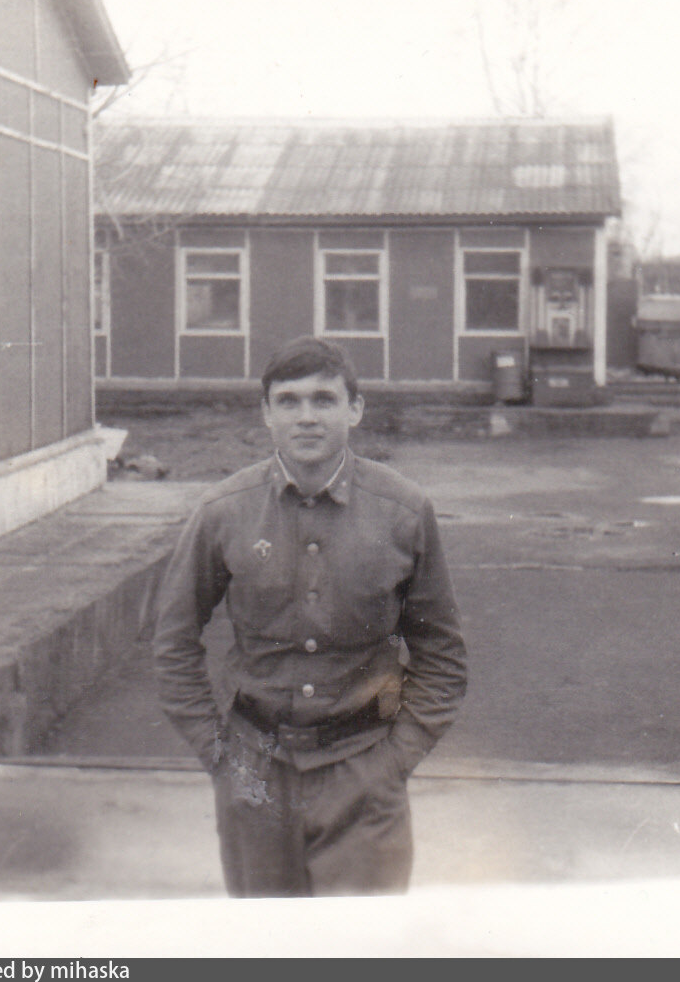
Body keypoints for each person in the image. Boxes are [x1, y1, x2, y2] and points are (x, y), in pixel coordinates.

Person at [151, 336, 468, 897]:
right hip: (253, 773)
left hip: (364, 770)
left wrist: (394, 762)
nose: (306, 417)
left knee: (360, 938)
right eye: (289, 401)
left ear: (355, 409)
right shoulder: (223, 511)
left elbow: (442, 654)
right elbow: (173, 642)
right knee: (268, 937)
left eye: (324, 399)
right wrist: (219, 755)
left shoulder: (403, 511)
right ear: (266, 413)